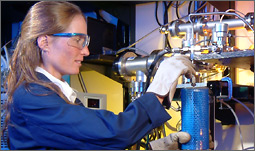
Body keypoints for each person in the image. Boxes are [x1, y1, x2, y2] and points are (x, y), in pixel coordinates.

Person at [2, 1, 196, 150]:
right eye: (78, 40)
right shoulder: (32, 97)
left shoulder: (54, 93)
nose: (86, 51)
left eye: (85, 41)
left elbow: (93, 144)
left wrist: (155, 147)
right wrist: (159, 88)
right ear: (44, 42)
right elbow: (113, 132)